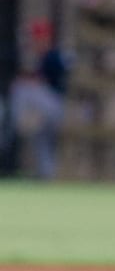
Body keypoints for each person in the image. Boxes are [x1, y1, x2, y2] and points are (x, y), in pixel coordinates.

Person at [8, 20, 70, 180]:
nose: (32, 42)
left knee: (20, 88)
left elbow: (44, 82)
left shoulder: (53, 55)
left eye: (35, 38)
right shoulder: (43, 56)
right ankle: (47, 175)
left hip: (57, 106)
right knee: (41, 138)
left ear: (44, 38)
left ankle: (17, 123)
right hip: (47, 110)